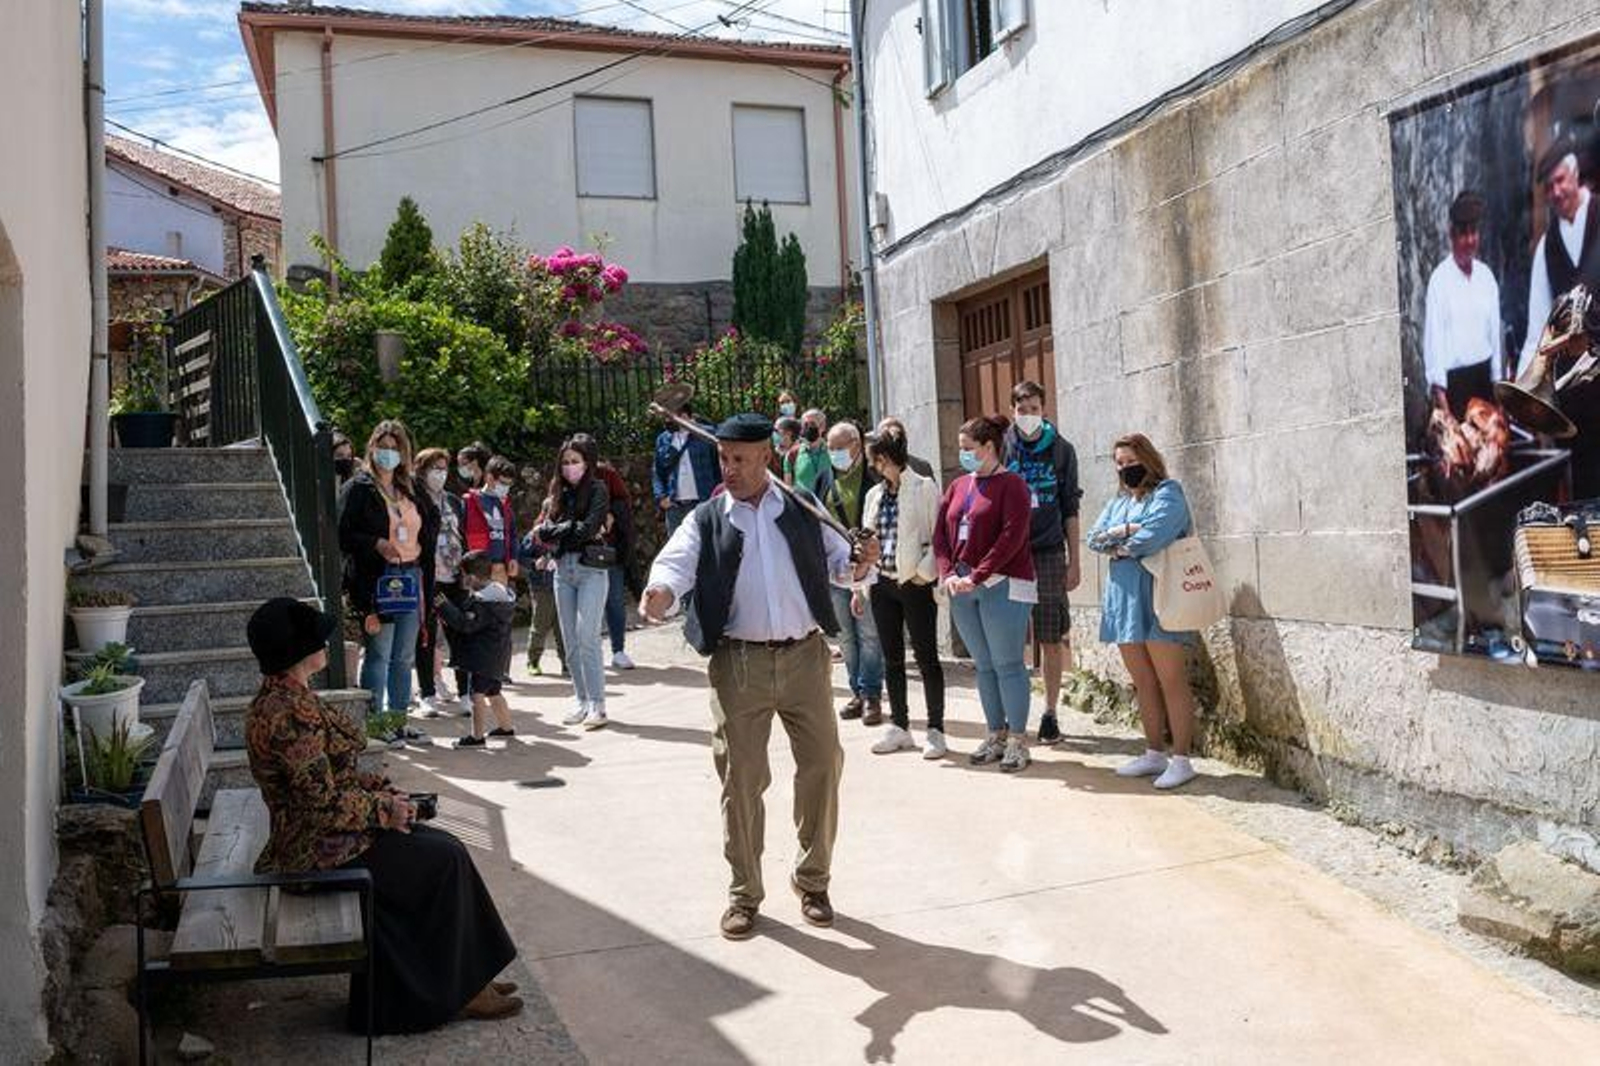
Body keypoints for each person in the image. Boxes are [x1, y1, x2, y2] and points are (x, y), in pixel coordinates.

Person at [641, 413, 880, 941]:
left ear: (767, 456)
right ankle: (744, 894)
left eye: (740, 459)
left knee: (822, 765)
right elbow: (674, 565)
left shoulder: (801, 506)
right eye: (723, 458)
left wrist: (864, 563)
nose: (729, 468)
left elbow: (845, 565)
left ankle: (812, 880)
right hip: (738, 664)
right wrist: (659, 593)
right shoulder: (706, 518)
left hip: (806, 659)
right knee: (742, 780)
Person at [243, 597, 521, 1032]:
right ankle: (459, 990)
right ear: (298, 652)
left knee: (445, 847)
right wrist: (385, 811)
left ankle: (466, 980)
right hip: (313, 852)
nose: (328, 643)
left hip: (324, 837)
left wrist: (382, 791)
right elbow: (320, 804)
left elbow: (333, 777)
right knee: (442, 861)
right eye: (318, 638)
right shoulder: (288, 716)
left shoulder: (289, 697)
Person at [1086, 433, 1202, 790]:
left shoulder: (1168, 493)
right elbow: (1093, 538)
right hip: (1124, 599)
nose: (1125, 469)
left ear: (1147, 459)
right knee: (1143, 681)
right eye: (1119, 464)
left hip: (1158, 597)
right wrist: (1126, 531)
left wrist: (1121, 542)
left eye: (1131, 462)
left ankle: (1181, 759)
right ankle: (1154, 752)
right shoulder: (1120, 502)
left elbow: (1151, 538)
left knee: (1171, 679)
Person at [933, 414, 1037, 773]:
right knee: (985, 665)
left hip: (1002, 584)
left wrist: (977, 576)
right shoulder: (958, 486)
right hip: (961, 587)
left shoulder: (1014, 486)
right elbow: (940, 535)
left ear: (989, 447)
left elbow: (1010, 538)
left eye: (967, 448)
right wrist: (947, 572)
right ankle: (995, 733)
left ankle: (1018, 740)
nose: (962, 455)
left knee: (1008, 664)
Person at [338, 419, 438, 721]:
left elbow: (429, 526)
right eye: (383, 447)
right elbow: (343, 534)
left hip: (411, 576)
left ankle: (397, 720)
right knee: (379, 653)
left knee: (404, 656)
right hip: (378, 578)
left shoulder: (411, 487)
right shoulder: (358, 488)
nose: (388, 453)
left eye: (395, 448)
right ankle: (375, 722)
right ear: (372, 448)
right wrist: (376, 542)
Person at [1004, 381, 1084, 744]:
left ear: (1044, 409)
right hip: (1012, 556)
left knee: (1051, 636)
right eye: (1021, 410)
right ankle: (1012, 712)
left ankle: (1051, 712)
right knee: (1011, 638)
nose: (1028, 416)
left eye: (1034, 408)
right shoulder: (1003, 446)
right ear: (1013, 411)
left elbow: (1071, 508)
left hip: (1050, 552)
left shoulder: (1062, 451)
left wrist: (1075, 561)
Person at [861, 429, 947, 758]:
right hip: (882, 583)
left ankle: (936, 729)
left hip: (914, 583)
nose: (874, 464)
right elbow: (868, 539)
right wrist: (862, 582)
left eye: (877, 458)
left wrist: (924, 575)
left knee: (927, 658)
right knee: (892, 658)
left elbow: (939, 537)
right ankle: (900, 726)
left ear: (889, 456)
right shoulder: (874, 496)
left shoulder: (923, 487)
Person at [1520, 147, 1600, 496]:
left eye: (1559, 181)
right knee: (1587, 493)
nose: (1555, 193)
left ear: (1575, 174)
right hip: (1578, 401)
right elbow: (1537, 327)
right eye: (1548, 187)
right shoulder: (1545, 248)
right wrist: (1524, 392)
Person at [535, 436, 612, 730]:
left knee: (587, 637)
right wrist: (563, 530)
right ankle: (581, 700)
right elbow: (542, 532)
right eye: (565, 462)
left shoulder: (597, 488)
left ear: (587, 462)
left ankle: (598, 704)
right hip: (561, 570)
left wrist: (560, 529)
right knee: (570, 641)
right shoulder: (557, 492)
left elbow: (589, 528)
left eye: (575, 461)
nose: (570, 467)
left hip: (590, 569)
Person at [823, 422, 885, 724]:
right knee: (845, 635)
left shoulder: (874, 478)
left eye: (839, 447)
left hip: (868, 566)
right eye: (830, 448)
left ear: (856, 446)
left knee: (869, 632)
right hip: (836, 569)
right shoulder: (825, 479)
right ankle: (856, 691)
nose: (834, 453)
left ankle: (872, 693)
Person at [1423, 191, 1502, 420]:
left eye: (1473, 233)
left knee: (1493, 450)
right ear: (1451, 235)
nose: (1469, 241)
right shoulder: (1439, 281)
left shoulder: (1486, 277)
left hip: (1484, 382)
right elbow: (1434, 343)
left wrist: (1499, 387)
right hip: (1455, 389)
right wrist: (1443, 403)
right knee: (1461, 453)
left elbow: (1495, 337)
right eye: (1463, 234)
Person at [437, 551, 517, 749]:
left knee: (476, 696)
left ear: (471, 578)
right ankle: (506, 727)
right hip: (499, 655)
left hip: (482, 657)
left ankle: (477, 736)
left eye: (463, 576)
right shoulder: (502, 595)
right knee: (494, 692)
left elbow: (466, 624)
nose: (462, 580)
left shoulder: (481, 603)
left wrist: (445, 607)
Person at [414, 447, 465, 718]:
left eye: (444, 468)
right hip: (428, 576)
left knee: (460, 633)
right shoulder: (415, 499)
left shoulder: (454, 501)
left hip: (454, 575)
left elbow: (463, 534)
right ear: (421, 471)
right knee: (426, 636)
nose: (440, 474)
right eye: (435, 468)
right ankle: (427, 693)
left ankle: (465, 692)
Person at [592, 449, 638, 670]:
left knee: (614, 601)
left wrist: (610, 513)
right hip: (580, 552)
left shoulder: (607, 474)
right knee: (589, 605)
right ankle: (591, 652)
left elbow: (624, 503)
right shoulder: (565, 476)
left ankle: (618, 649)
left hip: (609, 550)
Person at [653, 393, 722, 536]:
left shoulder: (706, 434)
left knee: (707, 545)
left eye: (669, 416)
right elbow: (658, 471)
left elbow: (720, 466)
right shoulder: (664, 439)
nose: (666, 421)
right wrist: (661, 497)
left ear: (683, 415)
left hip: (703, 502)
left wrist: (719, 495)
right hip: (675, 506)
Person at [517, 524, 567, 676]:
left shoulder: (565, 530)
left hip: (564, 585)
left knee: (564, 627)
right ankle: (533, 662)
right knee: (540, 625)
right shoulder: (535, 534)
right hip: (542, 587)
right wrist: (534, 563)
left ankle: (567, 663)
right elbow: (521, 557)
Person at [463, 455, 520, 586]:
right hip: (476, 569)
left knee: (500, 605)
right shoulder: (469, 501)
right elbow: (461, 533)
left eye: (509, 484)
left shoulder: (505, 505)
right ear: (489, 477)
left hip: (500, 567)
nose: (506, 488)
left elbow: (512, 534)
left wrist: (513, 558)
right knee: (475, 606)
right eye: (503, 483)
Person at [786, 408, 834, 497]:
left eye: (812, 424)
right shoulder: (792, 454)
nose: (808, 428)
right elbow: (788, 489)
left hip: (827, 508)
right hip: (803, 507)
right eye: (805, 424)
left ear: (823, 426)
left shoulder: (832, 452)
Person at [773, 416, 802, 482]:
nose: (774, 434)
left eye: (776, 431)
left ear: (788, 433)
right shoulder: (775, 451)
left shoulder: (800, 454)